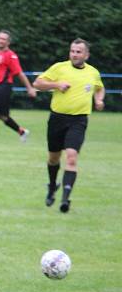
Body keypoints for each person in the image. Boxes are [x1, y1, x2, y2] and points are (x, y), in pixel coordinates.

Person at [33, 38, 104, 213]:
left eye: (78, 52)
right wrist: (56, 84)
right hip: (57, 119)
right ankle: (52, 186)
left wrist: (99, 99)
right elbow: (37, 83)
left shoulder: (93, 72)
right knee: (53, 159)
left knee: (71, 158)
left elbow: (99, 87)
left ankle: (65, 199)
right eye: (72, 51)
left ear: (86, 55)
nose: (74, 54)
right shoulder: (59, 68)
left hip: (78, 121)